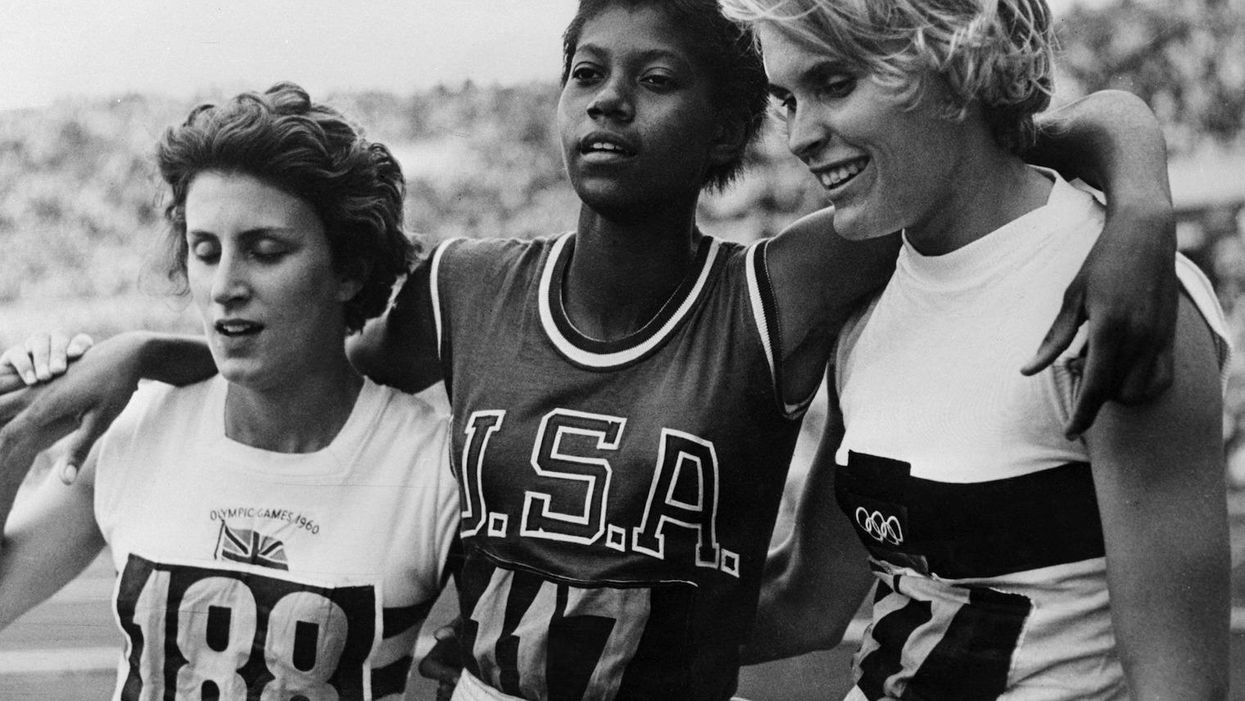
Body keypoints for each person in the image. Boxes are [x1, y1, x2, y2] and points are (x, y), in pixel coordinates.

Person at [0, 1, 1184, 699]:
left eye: (656, 79)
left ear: (732, 124)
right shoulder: (467, 283)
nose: (609, 103)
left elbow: (1003, 139)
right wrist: (135, 358)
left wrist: (1138, 197)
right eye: (586, 75)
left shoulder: (785, 281)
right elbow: (294, 342)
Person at [718, 0, 1232, 698]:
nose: (799, 135)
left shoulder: (1113, 291)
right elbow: (806, 600)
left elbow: (1178, 689)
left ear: (954, 62)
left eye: (834, 84)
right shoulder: (866, 291)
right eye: (786, 99)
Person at [0, 83, 459, 700]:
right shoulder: (133, 430)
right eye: (204, 250)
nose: (224, 285)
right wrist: (21, 429)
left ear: (348, 269)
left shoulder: (431, 464)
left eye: (265, 252)